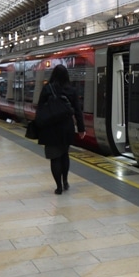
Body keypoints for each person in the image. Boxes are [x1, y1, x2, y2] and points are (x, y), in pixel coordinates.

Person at [36, 64, 85, 194]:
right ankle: (65, 181)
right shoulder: (71, 90)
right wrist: (81, 129)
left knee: (54, 158)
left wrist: (38, 125)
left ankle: (58, 186)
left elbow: (40, 109)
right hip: (66, 127)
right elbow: (78, 111)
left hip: (50, 128)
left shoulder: (47, 89)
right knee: (64, 155)